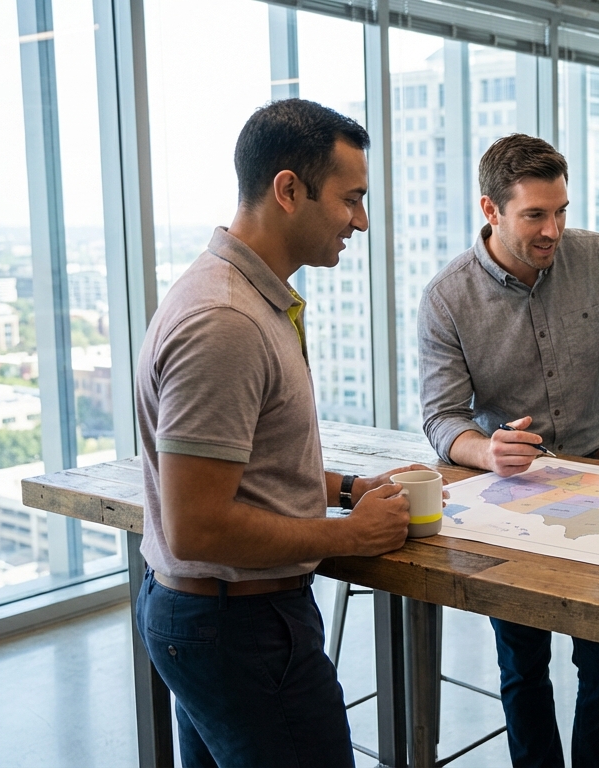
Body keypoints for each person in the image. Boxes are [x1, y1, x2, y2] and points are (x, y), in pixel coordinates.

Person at [135, 99, 426, 768]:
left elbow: (248, 466)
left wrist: (346, 488)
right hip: (237, 627)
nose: (362, 220)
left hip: (224, 620)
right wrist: (347, 535)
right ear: (289, 190)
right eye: (350, 198)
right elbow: (197, 527)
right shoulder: (226, 321)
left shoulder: (244, 296)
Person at [417, 133, 599, 768]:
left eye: (561, 210)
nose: (553, 229)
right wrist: (488, 452)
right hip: (509, 497)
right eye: (534, 215)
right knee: (523, 663)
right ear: (490, 210)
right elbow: (442, 418)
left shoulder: (595, 258)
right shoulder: (447, 297)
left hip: (598, 476)